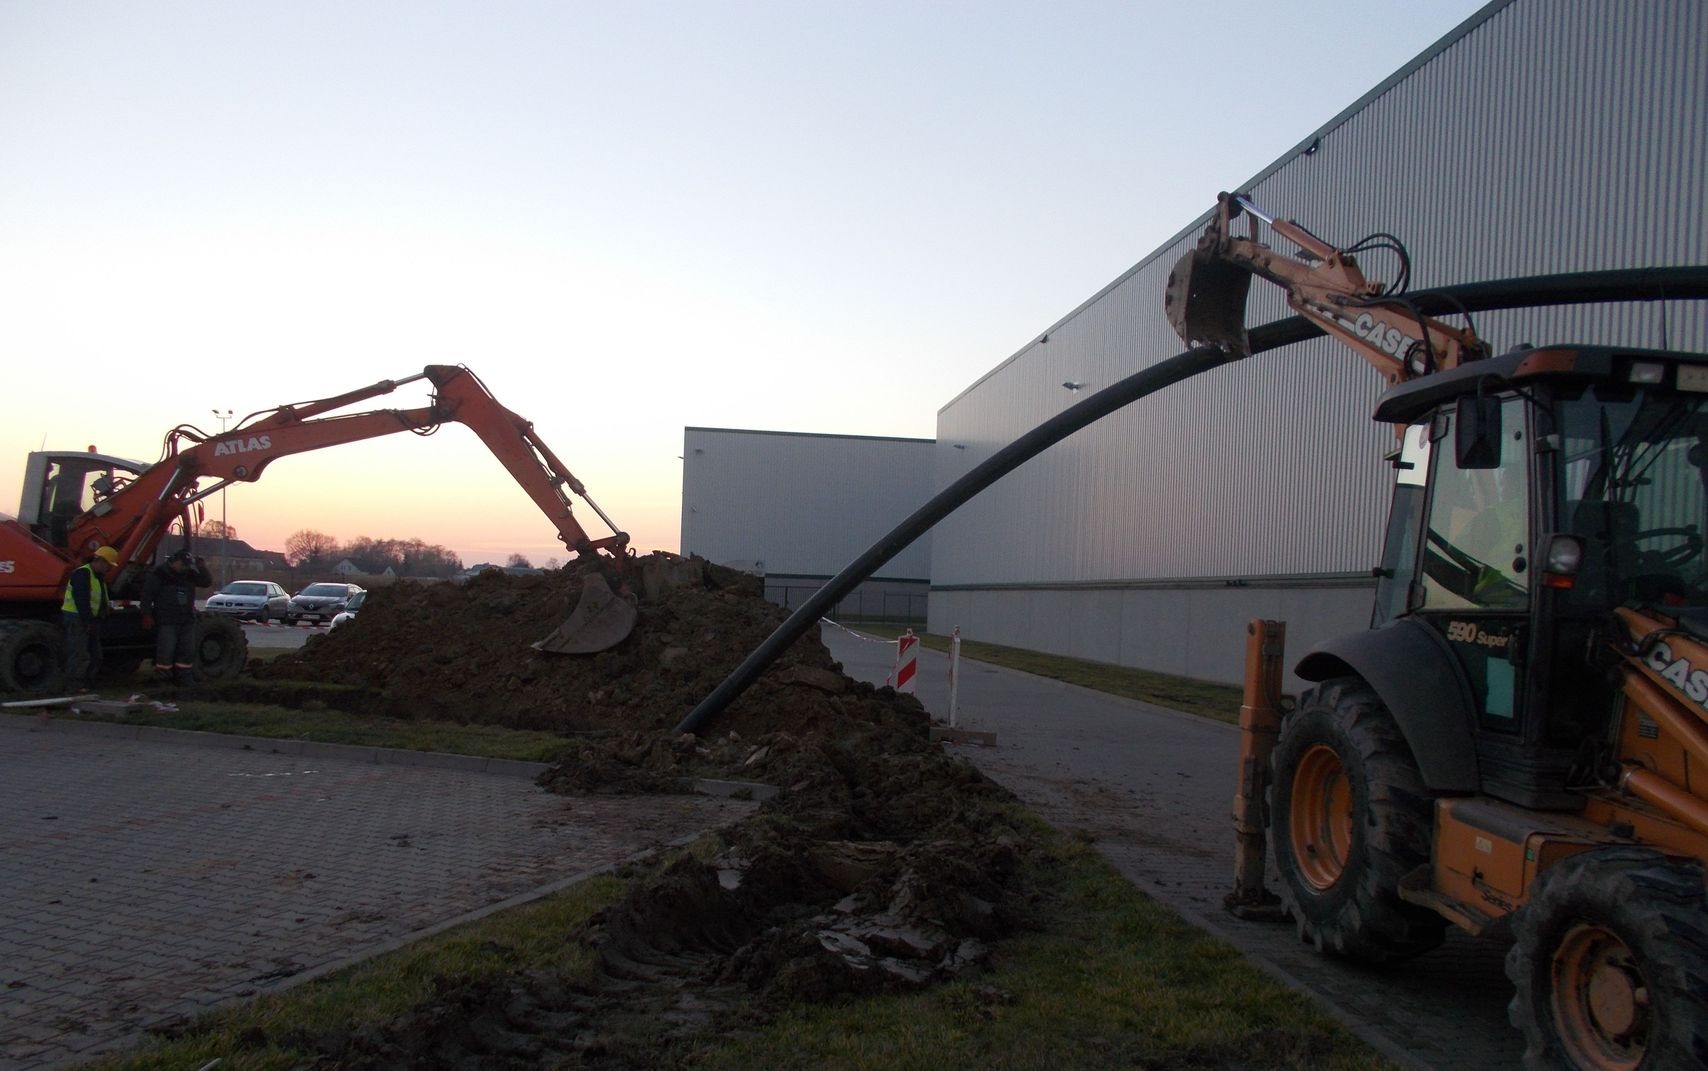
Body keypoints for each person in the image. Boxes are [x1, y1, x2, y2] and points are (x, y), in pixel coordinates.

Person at [141, 548, 212, 684]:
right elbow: (147, 595)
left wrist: (202, 567)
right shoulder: (159, 574)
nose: (185, 568)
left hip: (187, 619)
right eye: (183, 565)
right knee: (166, 650)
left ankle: (184, 678)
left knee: (187, 650)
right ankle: (162, 677)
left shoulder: (189, 574)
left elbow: (206, 582)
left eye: (188, 565)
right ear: (175, 561)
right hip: (167, 619)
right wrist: (146, 614)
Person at [63, 545, 118, 687]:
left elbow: (97, 598)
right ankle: (74, 685)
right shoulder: (83, 574)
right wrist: (88, 620)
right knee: (79, 653)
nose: (109, 569)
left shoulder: (96, 576)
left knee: (94, 654)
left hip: (87, 619)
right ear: (100, 561)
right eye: (108, 565)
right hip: (78, 618)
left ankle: (86, 682)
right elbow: (81, 598)